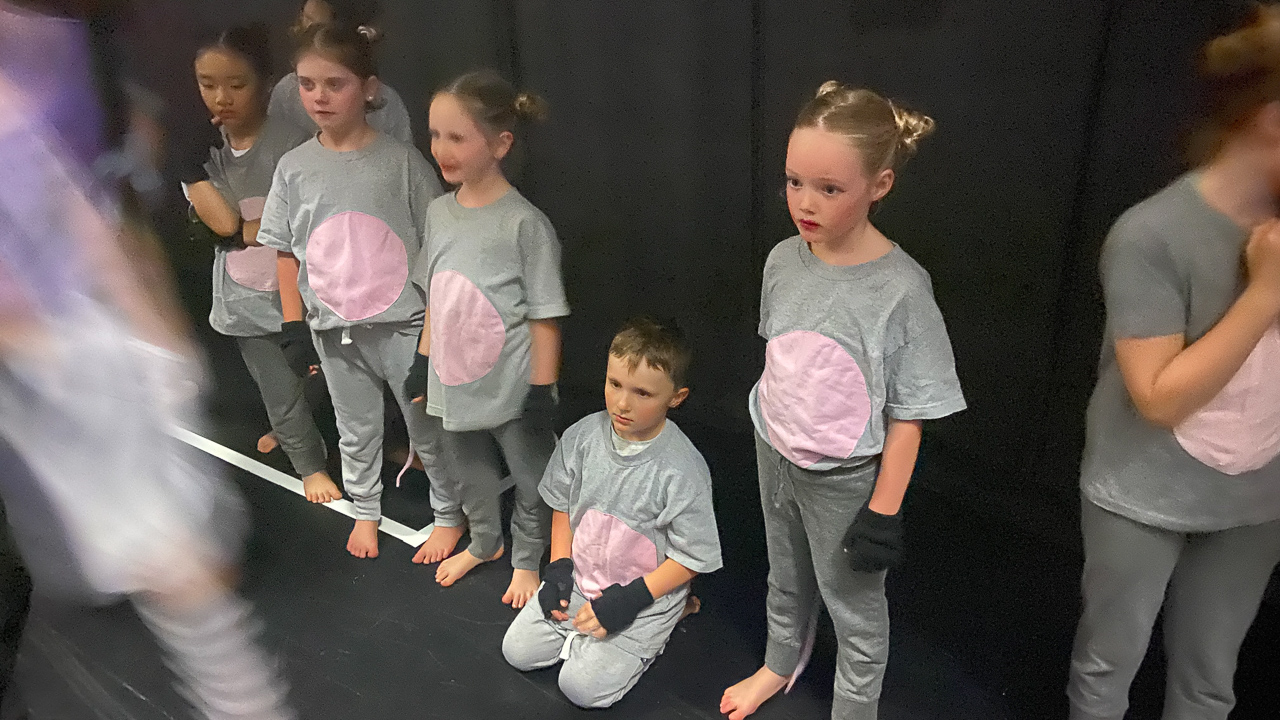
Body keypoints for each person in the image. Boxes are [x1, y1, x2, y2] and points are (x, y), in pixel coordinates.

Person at [0, 5, 295, 716]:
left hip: (74, 347)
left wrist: (149, 328)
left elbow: (89, 209)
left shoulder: (58, 60)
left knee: (180, 565)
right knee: (168, 562)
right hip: (51, 357)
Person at [720, 82, 966, 720]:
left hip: (844, 478)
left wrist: (883, 510)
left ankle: (854, 709)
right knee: (784, 571)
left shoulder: (902, 290)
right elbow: (786, 355)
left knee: (853, 605)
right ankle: (779, 661)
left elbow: (911, 412)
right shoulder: (783, 260)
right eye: (794, 182)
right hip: (774, 449)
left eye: (830, 189)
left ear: (879, 185)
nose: (805, 203)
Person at [1066, 8, 1280, 720]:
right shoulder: (1153, 235)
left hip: (1254, 496)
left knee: (1210, 681)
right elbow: (1158, 398)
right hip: (1142, 488)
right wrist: (1265, 295)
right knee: (1107, 668)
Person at [255, 22, 452, 559]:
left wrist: (435, 331)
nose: (319, 96)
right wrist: (293, 325)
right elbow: (285, 251)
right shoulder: (294, 168)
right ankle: (365, 508)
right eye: (307, 83)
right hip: (334, 331)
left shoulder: (402, 162)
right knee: (355, 428)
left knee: (426, 427)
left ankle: (449, 515)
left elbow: (438, 247)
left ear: (368, 88)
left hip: (404, 326)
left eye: (334, 83)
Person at [501, 317, 722, 708]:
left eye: (642, 393)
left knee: (581, 689)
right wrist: (558, 568)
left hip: (642, 598)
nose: (622, 403)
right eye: (614, 384)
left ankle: (671, 614)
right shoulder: (582, 437)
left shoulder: (683, 470)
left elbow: (693, 557)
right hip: (583, 580)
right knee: (517, 651)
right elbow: (563, 506)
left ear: (676, 397)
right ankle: (588, 634)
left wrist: (631, 600)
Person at [409, 69, 568, 608]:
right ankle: (484, 542)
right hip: (453, 380)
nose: (441, 149)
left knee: (531, 476)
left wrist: (541, 388)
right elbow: (439, 295)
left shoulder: (525, 224)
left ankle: (527, 558)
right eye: (435, 134)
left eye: (457, 137)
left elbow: (546, 314)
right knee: (467, 471)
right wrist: (422, 362)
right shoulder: (439, 212)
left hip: (511, 386)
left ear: (500, 144)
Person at [179, 23, 339, 503]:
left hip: (309, 293)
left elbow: (296, 225)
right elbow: (224, 223)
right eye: (207, 84)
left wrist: (243, 231)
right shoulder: (201, 150)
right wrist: (190, 167)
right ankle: (309, 464)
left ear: (265, 84)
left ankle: (301, 428)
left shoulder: (294, 144)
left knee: (324, 376)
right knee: (279, 393)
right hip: (244, 300)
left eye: (236, 84)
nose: (221, 97)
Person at [268, 0, 412, 144]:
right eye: (305, 18)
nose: (319, 97)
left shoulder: (386, 103)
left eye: (335, 84)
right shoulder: (286, 92)